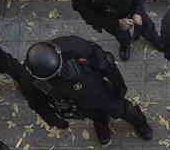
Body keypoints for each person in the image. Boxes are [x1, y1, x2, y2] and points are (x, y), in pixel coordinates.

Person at [22, 36, 152, 144]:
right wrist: (53, 119)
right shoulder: (29, 81)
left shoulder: (73, 46)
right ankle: (101, 123)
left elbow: (103, 61)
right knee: (96, 116)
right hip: (76, 105)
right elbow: (37, 103)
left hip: (98, 90)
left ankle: (139, 121)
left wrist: (118, 83)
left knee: (122, 108)